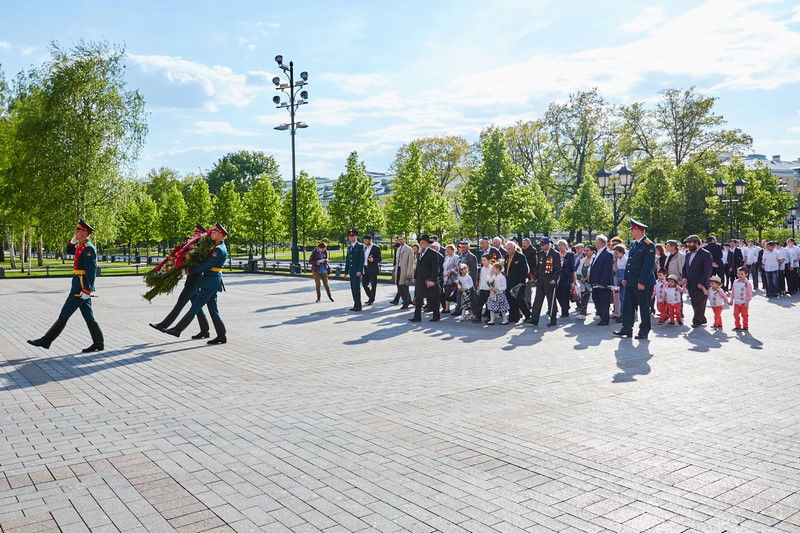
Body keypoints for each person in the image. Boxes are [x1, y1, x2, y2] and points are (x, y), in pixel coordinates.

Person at [28, 220, 104, 353]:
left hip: (81, 287)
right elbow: (69, 250)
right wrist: (73, 240)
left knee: (64, 314)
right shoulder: (81, 245)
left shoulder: (88, 248)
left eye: (78, 230)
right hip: (78, 283)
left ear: (84, 233)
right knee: (88, 316)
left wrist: (87, 290)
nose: (76, 232)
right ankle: (98, 343)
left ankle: (46, 340)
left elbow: (91, 270)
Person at [163, 223, 229, 344]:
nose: (212, 234)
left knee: (195, 307)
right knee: (213, 310)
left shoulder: (219, 250)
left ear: (221, 235)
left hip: (210, 283)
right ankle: (221, 335)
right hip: (211, 281)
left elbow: (206, 266)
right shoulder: (217, 247)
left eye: (215, 232)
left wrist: (188, 270)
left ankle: (177, 330)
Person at [149, 224, 211, 337]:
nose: (194, 235)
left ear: (202, 234)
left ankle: (163, 325)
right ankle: (205, 330)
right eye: (194, 233)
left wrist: (184, 270)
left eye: (197, 233)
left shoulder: (202, 247)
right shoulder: (194, 245)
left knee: (180, 302)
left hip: (195, 280)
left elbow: (199, 264)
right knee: (196, 306)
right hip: (193, 279)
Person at [614, 219, 656, 339]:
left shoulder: (648, 244)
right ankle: (627, 328)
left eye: (632, 229)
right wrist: (626, 278)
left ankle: (644, 331)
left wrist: (642, 282)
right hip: (631, 281)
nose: (631, 232)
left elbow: (648, 265)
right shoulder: (634, 244)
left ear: (638, 230)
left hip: (642, 282)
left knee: (644, 307)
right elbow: (630, 263)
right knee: (628, 306)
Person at [681, 234, 713, 328]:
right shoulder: (688, 254)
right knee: (694, 302)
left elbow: (707, 270)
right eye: (687, 243)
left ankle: (696, 321)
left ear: (697, 243)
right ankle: (702, 318)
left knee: (700, 302)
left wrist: (702, 283)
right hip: (690, 283)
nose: (688, 245)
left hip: (701, 284)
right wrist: (684, 277)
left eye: (690, 243)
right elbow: (685, 268)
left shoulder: (706, 254)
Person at [528, 237, 561, 327]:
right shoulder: (541, 253)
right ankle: (534, 320)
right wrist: (535, 277)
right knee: (537, 301)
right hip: (541, 281)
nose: (541, 246)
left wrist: (554, 279)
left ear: (548, 244)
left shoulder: (555, 254)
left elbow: (558, 269)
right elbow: (538, 267)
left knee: (551, 302)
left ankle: (552, 321)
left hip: (550, 281)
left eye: (543, 245)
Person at [409, 235, 441, 322]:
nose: (421, 244)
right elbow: (418, 267)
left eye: (422, 242)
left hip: (429, 280)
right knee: (418, 298)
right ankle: (417, 317)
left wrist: (433, 280)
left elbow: (435, 268)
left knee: (433, 298)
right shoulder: (420, 253)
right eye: (420, 242)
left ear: (427, 243)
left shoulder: (433, 253)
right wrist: (415, 277)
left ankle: (436, 316)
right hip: (420, 280)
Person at [589, 235, 615, 326]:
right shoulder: (598, 253)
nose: (594, 244)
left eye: (596, 242)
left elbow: (607, 270)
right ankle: (601, 316)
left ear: (600, 243)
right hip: (596, 282)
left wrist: (603, 283)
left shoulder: (607, 254)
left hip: (602, 283)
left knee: (604, 301)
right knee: (596, 299)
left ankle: (605, 319)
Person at [504, 242, 530, 323]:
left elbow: (525, 270)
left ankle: (528, 315)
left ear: (514, 248)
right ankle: (514, 317)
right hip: (508, 281)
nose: (507, 250)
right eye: (506, 249)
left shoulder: (520, 256)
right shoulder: (506, 257)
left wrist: (522, 281)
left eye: (509, 249)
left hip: (518, 282)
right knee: (510, 299)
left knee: (520, 300)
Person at [451, 241, 478, 316]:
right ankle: (458, 309)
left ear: (468, 247)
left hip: (468, 280)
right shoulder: (459, 255)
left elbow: (474, 270)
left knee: (471, 296)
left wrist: (474, 282)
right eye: (460, 247)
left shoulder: (472, 257)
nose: (462, 249)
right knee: (459, 294)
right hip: (461, 279)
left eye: (464, 247)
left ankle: (475, 311)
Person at [554, 239, 576, 318]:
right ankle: (565, 306)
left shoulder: (570, 255)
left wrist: (574, 279)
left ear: (565, 246)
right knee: (557, 294)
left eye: (562, 245)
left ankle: (565, 312)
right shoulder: (556, 255)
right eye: (559, 245)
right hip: (557, 277)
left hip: (567, 277)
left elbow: (573, 267)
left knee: (565, 294)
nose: (560, 247)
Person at [344, 229, 365, 311]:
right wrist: (346, 271)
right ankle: (355, 304)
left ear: (356, 237)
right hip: (351, 271)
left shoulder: (360, 246)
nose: (352, 238)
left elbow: (362, 259)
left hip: (357, 271)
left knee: (356, 288)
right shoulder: (349, 247)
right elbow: (347, 260)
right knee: (353, 288)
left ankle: (358, 306)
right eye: (350, 236)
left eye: (353, 236)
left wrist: (360, 270)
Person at [391, 236, 413, 308]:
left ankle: (405, 304)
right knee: (399, 287)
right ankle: (407, 301)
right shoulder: (398, 248)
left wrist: (409, 272)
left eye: (402, 239)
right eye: (399, 240)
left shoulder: (409, 249)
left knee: (404, 288)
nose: (400, 241)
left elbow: (411, 262)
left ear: (405, 240)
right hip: (398, 269)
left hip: (405, 270)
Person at [729, 267, 753, 331]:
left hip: (744, 302)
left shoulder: (747, 283)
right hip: (736, 302)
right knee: (735, 314)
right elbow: (733, 291)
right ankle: (737, 326)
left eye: (742, 274)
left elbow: (749, 294)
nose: (740, 275)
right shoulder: (735, 282)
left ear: (746, 274)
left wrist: (747, 302)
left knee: (744, 315)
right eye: (739, 274)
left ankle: (745, 327)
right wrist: (731, 300)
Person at [361, 234, 381, 305]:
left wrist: (373, 260)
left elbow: (379, 259)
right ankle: (371, 297)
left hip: (373, 269)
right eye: (364, 241)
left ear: (370, 240)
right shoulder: (364, 248)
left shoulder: (376, 248)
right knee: (364, 284)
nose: (365, 242)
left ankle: (371, 299)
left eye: (366, 240)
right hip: (365, 268)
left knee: (373, 285)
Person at [473, 255, 493, 323]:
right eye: (482, 260)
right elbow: (481, 279)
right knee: (479, 303)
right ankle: (478, 318)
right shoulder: (482, 269)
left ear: (489, 261)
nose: (483, 262)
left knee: (489, 304)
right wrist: (479, 288)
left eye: (484, 260)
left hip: (489, 289)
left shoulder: (492, 268)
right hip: (482, 289)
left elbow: (493, 279)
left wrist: (492, 289)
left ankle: (489, 318)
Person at [575, 245, 594, 316]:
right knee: (584, 297)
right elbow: (578, 271)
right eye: (585, 251)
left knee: (594, 298)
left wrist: (587, 278)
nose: (585, 252)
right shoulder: (583, 260)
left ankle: (598, 313)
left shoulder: (594, 259)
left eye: (587, 251)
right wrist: (581, 279)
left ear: (592, 251)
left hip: (591, 282)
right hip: (583, 282)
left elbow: (594, 271)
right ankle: (583, 312)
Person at [441, 244, 460, 313]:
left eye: (448, 249)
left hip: (453, 278)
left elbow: (458, 267)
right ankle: (447, 308)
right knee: (447, 292)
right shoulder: (446, 257)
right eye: (446, 250)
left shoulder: (456, 257)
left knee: (449, 292)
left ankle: (447, 308)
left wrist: (451, 270)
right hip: (446, 277)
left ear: (452, 250)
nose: (447, 251)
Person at [521, 238, 538, 309]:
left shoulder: (533, 250)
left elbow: (534, 263)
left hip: (530, 273)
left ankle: (528, 303)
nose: (523, 245)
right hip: (525, 272)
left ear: (528, 243)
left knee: (528, 288)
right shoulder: (523, 250)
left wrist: (533, 275)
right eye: (523, 243)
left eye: (524, 243)